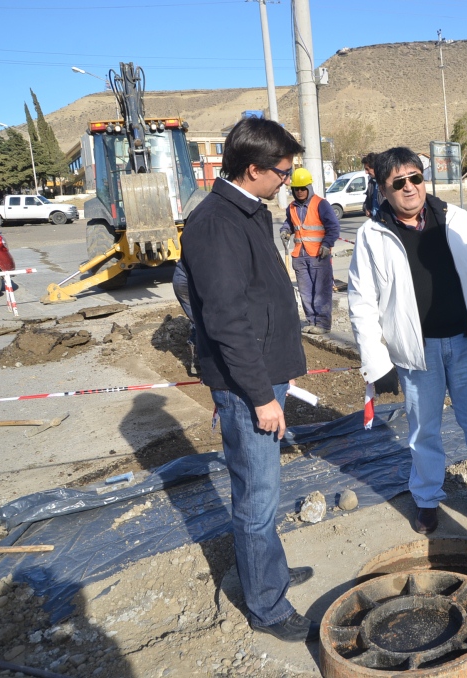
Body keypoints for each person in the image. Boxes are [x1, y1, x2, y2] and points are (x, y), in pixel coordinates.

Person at [181, 117, 319, 642]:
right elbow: (225, 319)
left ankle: (269, 574)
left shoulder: (247, 211)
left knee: (265, 492)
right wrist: (259, 396)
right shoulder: (216, 224)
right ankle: (267, 606)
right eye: (282, 172)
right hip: (249, 386)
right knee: (257, 499)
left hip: (260, 376)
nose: (288, 180)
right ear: (253, 169)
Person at [347, 147, 467, 535]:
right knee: (424, 431)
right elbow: (362, 302)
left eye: (415, 178)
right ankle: (426, 499)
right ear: (383, 190)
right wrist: (377, 363)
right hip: (416, 354)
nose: (409, 189)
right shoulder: (372, 235)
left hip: (466, 343)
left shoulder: (456, 220)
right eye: (398, 183)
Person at [279, 168, 340, 334]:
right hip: (300, 255)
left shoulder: (321, 204)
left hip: (319, 255)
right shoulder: (291, 207)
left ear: (309, 187)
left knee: (321, 290)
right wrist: (285, 230)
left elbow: (333, 227)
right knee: (305, 291)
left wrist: (327, 244)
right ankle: (311, 321)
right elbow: (290, 224)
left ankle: (322, 324)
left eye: (302, 188)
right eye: (296, 189)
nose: (299, 192)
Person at [361, 152, 382, 221]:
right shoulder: (371, 182)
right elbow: (367, 201)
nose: (366, 172)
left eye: (367, 169)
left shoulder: (386, 183)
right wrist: (366, 209)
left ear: (375, 168)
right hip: (374, 220)